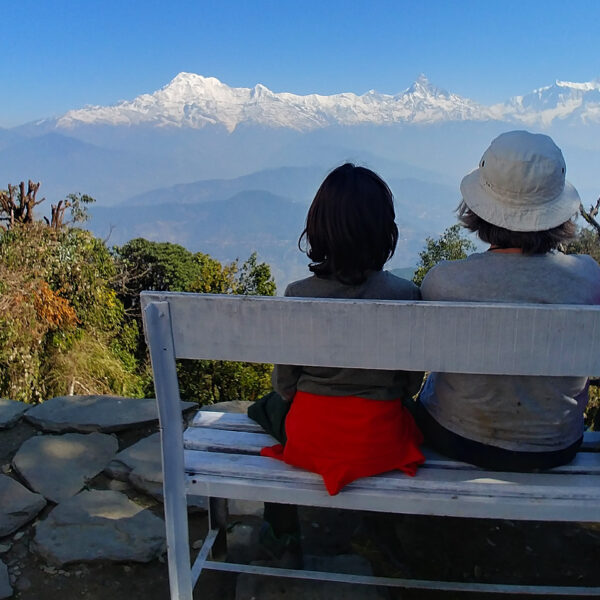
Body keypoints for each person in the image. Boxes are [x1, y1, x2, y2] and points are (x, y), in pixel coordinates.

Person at [248, 163, 425, 561]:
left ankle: (281, 532)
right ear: (386, 231)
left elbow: (285, 387)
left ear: (318, 229)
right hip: (382, 441)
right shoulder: (406, 295)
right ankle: (380, 529)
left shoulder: (299, 295)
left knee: (263, 407)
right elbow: (410, 385)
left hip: (312, 438)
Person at [412, 130, 600, 471]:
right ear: (558, 211)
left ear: (478, 208)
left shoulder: (444, 282)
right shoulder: (589, 279)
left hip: (455, 436)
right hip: (555, 445)